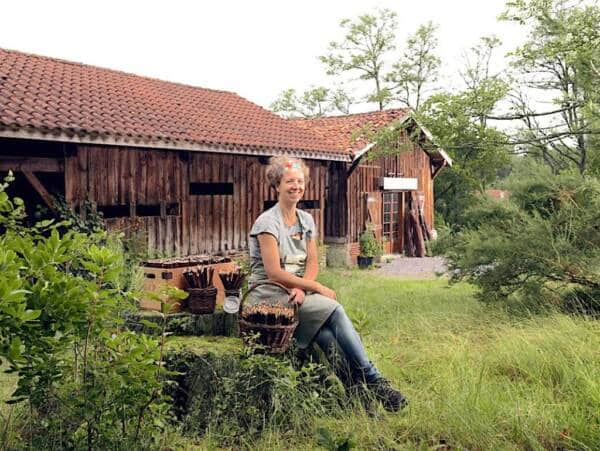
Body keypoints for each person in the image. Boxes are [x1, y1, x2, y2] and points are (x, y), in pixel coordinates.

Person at [245, 155, 407, 412]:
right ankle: (376, 382)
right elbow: (274, 273)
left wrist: (303, 287)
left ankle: (357, 393)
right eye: (289, 181)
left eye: (300, 181)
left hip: (297, 294)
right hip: (270, 297)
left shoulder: (306, 220)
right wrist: (317, 288)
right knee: (334, 309)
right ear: (277, 185)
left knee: (326, 334)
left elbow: (312, 264)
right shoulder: (266, 223)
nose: (296, 186)